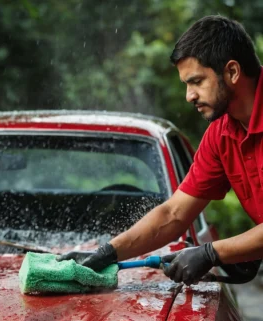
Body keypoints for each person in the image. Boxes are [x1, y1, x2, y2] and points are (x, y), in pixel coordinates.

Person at [58, 15, 263, 286]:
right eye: (186, 85)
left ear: (232, 72)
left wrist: (211, 252)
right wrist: (107, 253)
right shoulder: (221, 134)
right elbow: (174, 214)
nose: (189, 96)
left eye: (197, 81)